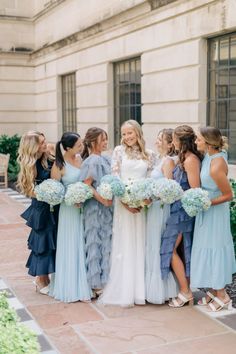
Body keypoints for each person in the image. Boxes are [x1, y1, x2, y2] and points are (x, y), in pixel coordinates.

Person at [99, 120, 156, 307]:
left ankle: (141, 290)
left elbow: (150, 181)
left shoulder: (149, 154)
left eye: (129, 133)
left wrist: (145, 199)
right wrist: (125, 202)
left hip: (142, 208)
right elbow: (115, 178)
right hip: (123, 206)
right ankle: (125, 289)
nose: (126, 137)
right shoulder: (118, 151)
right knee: (125, 243)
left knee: (142, 242)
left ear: (138, 133)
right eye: (123, 134)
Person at [191, 126, 236, 311]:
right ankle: (213, 290)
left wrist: (207, 203)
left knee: (214, 247)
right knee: (205, 247)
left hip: (215, 212)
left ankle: (223, 295)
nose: (196, 142)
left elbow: (228, 195)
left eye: (199, 139)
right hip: (206, 210)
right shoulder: (209, 155)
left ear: (208, 143)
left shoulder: (216, 165)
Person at [160, 125, 202, 307]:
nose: (173, 143)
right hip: (176, 210)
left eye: (174, 140)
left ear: (180, 141)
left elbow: (194, 190)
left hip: (183, 213)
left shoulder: (191, 160)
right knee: (180, 250)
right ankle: (186, 289)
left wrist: (175, 193)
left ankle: (186, 291)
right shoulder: (181, 159)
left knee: (169, 250)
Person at [49, 132, 92, 302]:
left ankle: (84, 283)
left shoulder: (81, 159)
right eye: (78, 145)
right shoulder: (59, 165)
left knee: (83, 243)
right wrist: (71, 198)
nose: (81, 147)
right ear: (68, 147)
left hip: (84, 208)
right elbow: (55, 192)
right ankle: (70, 286)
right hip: (68, 211)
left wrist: (83, 195)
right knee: (71, 243)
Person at [17, 131, 58, 294]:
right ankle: (41, 279)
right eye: (41, 142)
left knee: (52, 240)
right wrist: (45, 193)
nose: (45, 144)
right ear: (33, 146)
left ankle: (48, 276)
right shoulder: (30, 164)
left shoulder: (48, 157)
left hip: (54, 206)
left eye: (44, 141)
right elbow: (28, 190)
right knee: (42, 243)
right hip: (41, 208)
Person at [145, 129, 178, 304]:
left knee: (157, 245)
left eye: (160, 139)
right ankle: (151, 287)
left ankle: (162, 289)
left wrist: (151, 197)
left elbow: (169, 190)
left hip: (160, 209)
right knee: (151, 244)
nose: (156, 142)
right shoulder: (159, 159)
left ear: (170, 143)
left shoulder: (169, 162)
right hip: (152, 207)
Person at [80, 127, 113, 296]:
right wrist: (103, 200)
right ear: (93, 142)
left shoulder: (105, 159)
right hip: (95, 207)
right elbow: (87, 184)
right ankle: (94, 284)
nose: (106, 142)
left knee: (105, 242)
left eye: (106, 139)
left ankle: (103, 279)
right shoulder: (93, 160)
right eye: (103, 140)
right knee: (94, 242)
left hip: (106, 207)